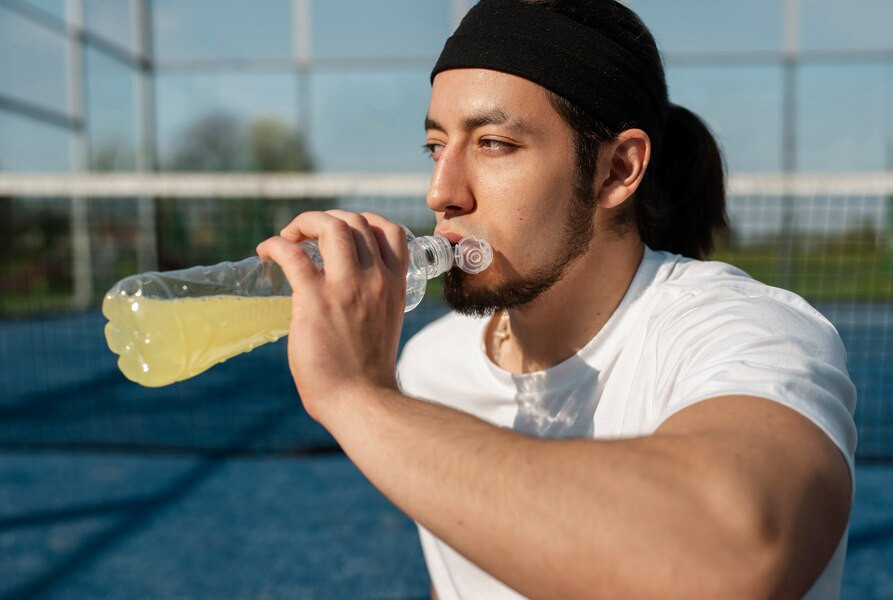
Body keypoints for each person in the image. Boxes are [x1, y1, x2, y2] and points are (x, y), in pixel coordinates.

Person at [257, 0, 856, 597]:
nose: (442, 191)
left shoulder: (748, 332)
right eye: (436, 147)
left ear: (617, 169)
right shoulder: (428, 364)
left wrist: (356, 397)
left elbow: (736, 553)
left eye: (493, 144)